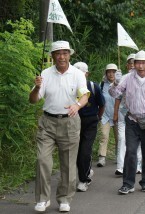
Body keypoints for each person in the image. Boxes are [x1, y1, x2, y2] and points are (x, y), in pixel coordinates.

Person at [29, 41, 89, 212]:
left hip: (70, 122)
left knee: (68, 164)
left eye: (65, 53)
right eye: (58, 53)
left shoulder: (77, 74)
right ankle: (42, 198)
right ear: (53, 56)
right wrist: (37, 87)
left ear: (69, 55)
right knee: (42, 160)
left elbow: (84, 95)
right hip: (47, 122)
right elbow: (33, 99)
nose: (61, 56)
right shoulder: (45, 73)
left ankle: (64, 198)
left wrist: (77, 106)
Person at [109, 50, 145, 194]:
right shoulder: (127, 78)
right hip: (132, 120)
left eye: (144, 63)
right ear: (133, 65)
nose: (140, 66)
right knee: (130, 151)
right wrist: (115, 83)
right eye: (138, 63)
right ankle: (128, 183)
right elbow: (114, 94)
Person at [73, 62, 105, 192]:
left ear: (87, 74)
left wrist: (98, 117)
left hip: (90, 122)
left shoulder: (93, 87)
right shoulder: (70, 87)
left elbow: (102, 104)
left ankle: (84, 179)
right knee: (76, 152)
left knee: (85, 151)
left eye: (82, 73)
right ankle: (86, 171)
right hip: (73, 122)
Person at [112, 54, 143, 175]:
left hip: (138, 115)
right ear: (127, 65)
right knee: (121, 139)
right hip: (123, 114)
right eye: (130, 63)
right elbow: (116, 96)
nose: (132, 65)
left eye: (134, 62)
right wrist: (116, 82)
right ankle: (120, 166)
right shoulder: (123, 78)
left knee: (138, 140)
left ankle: (138, 165)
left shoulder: (143, 78)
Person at [97, 64, 120, 167]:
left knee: (119, 137)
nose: (111, 74)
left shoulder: (121, 84)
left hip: (118, 115)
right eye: (109, 72)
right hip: (105, 115)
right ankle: (102, 157)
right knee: (103, 136)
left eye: (113, 72)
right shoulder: (101, 85)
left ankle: (119, 156)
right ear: (106, 73)